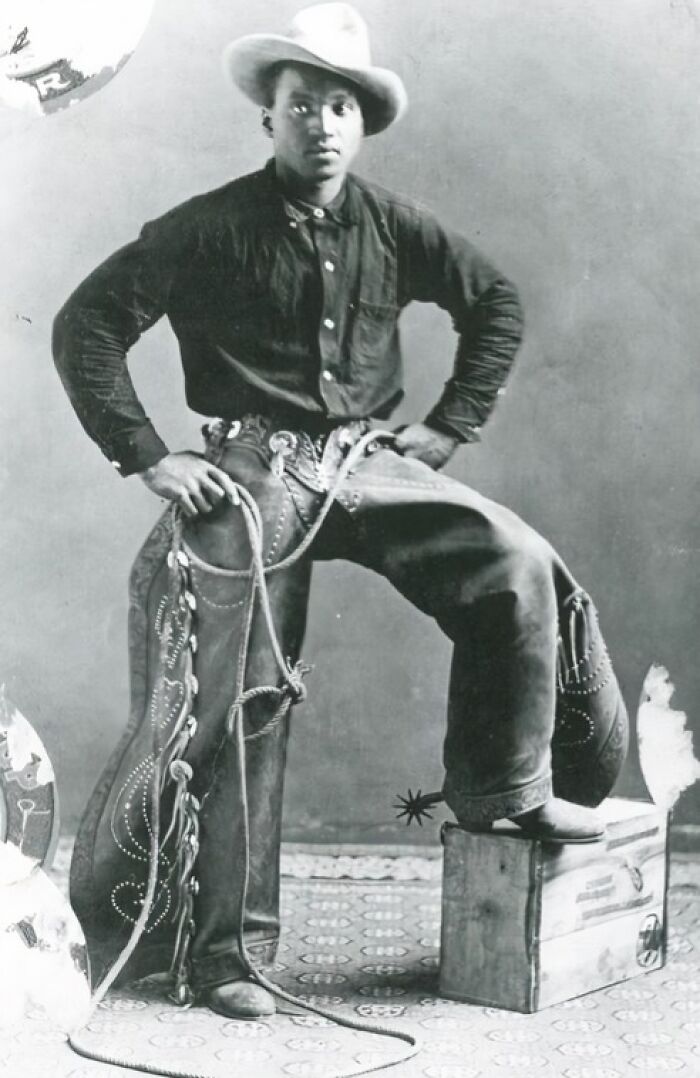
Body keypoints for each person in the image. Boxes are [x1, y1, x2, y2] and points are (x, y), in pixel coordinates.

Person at [52, 3, 628, 1020]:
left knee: (516, 561)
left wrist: (447, 428)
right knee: (236, 697)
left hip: (363, 460)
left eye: (339, 107)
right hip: (249, 469)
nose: (321, 123)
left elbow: (492, 298)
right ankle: (227, 951)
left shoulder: (391, 222)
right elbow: (87, 324)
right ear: (265, 120)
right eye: (300, 104)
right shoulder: (208, 225)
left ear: (360, 124)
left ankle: (505, 788)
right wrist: (147, 454)